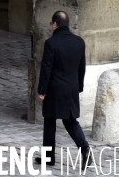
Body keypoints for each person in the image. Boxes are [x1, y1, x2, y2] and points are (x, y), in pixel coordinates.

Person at [36, 10, 90, 171]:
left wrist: (42, 90)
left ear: (55, 24)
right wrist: (78, 87)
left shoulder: (51, 43)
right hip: (71, 88)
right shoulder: (79, 42)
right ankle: (85, 148)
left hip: (54, 88)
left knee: (50, 121)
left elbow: (46, 68)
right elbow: (82, 68)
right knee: (71, 121)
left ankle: (49, 158)